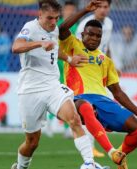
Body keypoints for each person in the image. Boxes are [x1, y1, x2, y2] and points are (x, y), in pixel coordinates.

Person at [10, 1, 110, 169]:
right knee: (32, 142)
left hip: (52, 86)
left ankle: (89, 164)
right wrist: (39, 43)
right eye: (49, 18)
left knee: (74, 119)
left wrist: (70, 59)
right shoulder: (30, 28)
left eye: (56, 18)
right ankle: (21, 167)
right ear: (40, 15)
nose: (53, 22)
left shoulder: (54, 28)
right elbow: (16, 47)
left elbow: (56, 47)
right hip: (30, 90)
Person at [59, 1, 137, 169]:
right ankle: (111, 151)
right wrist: (85, 10)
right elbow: (62, 29)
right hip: (77, 99)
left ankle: (119, 156)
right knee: (86, 107)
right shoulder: (72, 46)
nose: (94, 38)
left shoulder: (106, 61)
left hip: (102, 101)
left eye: (98, 36)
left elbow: (118, 93)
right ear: (82, 34)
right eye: (90, 34)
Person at [76, 0, 113, 157]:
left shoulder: (109, 24)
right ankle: (89, 146)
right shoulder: (85, 25)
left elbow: (106, 47)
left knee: (104, 104)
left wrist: (112, 64)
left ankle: (94, 141)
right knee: (89, 108)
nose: (103, 10)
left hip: (100, 68)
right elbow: (76, 47)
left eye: (106, 7)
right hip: (85, 71)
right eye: (100, 7)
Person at [46, 0, 79, 139]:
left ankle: (66, 127)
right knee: (60, 94)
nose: (69, 13)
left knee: (68, 95)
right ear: (63, 12)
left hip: (72, 64)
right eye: (67, 10)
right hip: (58, 63)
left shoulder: (78, 26)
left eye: (72, 11)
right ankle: (49, 123)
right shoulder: (57, 26)